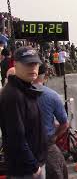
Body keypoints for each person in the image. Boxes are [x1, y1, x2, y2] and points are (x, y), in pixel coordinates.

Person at [0, 46, 47, 178]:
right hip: (26, 170)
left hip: (34, 164)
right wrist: (34, 167)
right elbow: (16, 137)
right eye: (28, 64)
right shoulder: (13, 95)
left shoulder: (25, 88)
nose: (32, 68)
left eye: (35, 64)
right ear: (15, 65)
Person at [33, 64, 69, 179]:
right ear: (44, 76)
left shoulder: (12, 94)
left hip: (20, 148)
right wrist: (55, 135)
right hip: (46, 146)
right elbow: (64, 124)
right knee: (60, 172)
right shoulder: (51, 95)